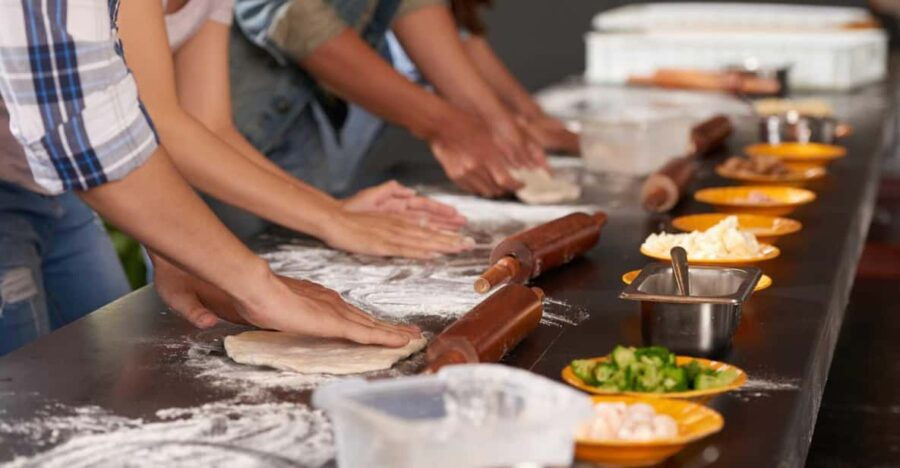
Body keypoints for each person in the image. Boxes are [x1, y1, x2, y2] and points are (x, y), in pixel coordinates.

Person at [0, 0, 418, 355]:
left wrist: (172, 251)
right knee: (23, 398)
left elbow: (191, 121)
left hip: (56, 193)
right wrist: (259, 285)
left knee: (105, 364)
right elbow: (84, 130)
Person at [115, 0, 471, 260]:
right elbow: (159, 122)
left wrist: (337, 210)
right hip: (73, 181)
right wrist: (330, 218)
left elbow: (212, 125)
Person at [224, 0, 548, 239]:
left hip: (296, 135)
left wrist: (490, 120)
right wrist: (446, 125)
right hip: (231, 140)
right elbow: (292, 14)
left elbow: (410, 4)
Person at [449, 0, 579, 155]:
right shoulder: (424, 11)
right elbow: (446, 68)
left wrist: (532, 114)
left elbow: (470, 45)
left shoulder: (453, 12)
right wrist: (504, 123)